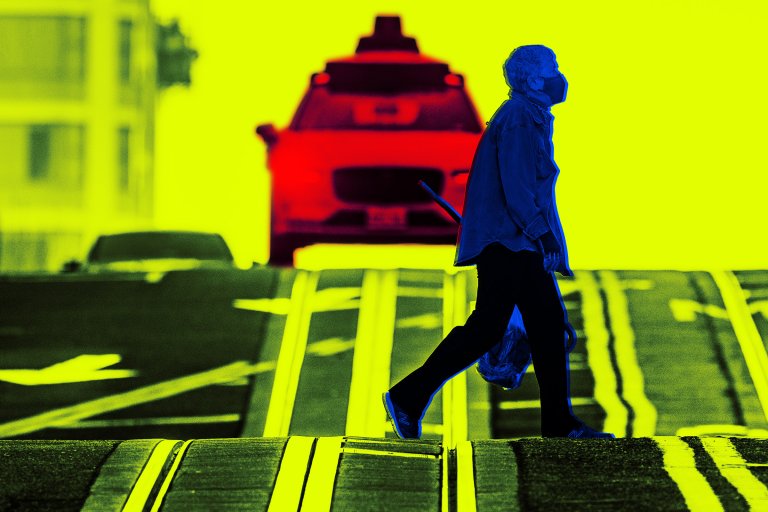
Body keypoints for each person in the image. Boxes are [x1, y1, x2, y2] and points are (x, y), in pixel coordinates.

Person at [382, 45, 615, 439]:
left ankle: (556, 422)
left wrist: (550, 243)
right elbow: (519, 188)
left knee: (538, 327)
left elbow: (530, 190)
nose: (561, 76)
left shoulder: (529, 117)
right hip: (510, 245)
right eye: (553, 69)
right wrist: (542, 235)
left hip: (516, 243)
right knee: (498, 328)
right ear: (534, 79)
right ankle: (408, 395)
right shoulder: (521, 118)